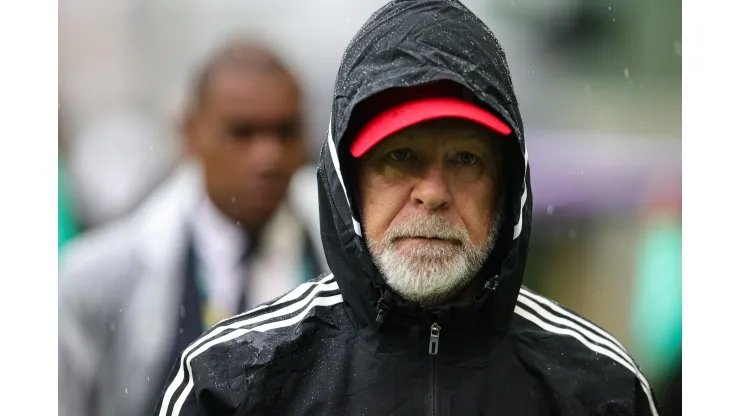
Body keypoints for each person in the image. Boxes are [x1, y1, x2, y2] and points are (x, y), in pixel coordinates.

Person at [153, 1, 659, 415]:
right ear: (349, 183)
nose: (433, 192)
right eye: (400, 156)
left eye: (466, 159)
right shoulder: (233, 383)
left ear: (506, 188)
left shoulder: (597, 387)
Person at [58, 39, 327, 416]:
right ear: (190, 134)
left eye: (285, 132)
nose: (268, 156)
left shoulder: (346, 257)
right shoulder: (98, 281)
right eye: (242, 133)